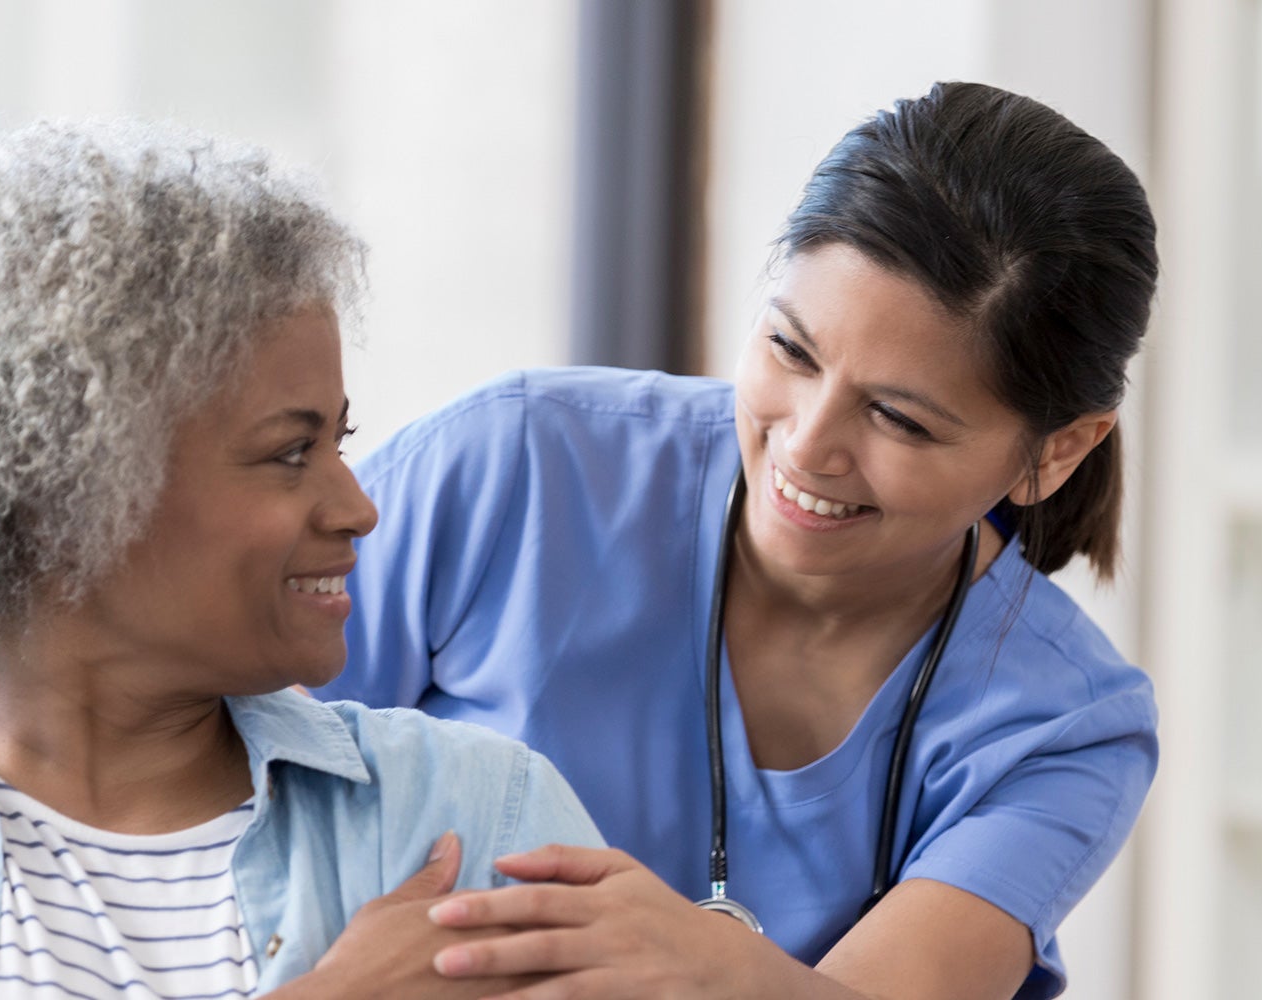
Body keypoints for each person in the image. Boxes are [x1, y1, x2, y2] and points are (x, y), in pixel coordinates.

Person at [320, 81, 1159, 999]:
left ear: (1060, 450)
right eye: (791, 352)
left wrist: (706, 964)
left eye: (898, 419)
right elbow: (212, 768)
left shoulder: (1063, 727)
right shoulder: (519, 466)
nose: (806, 444)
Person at [0, 120, 602, 999]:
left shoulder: (473, 809)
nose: (359, 509)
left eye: (340, 443)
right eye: (290, 452)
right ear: (68, 495)